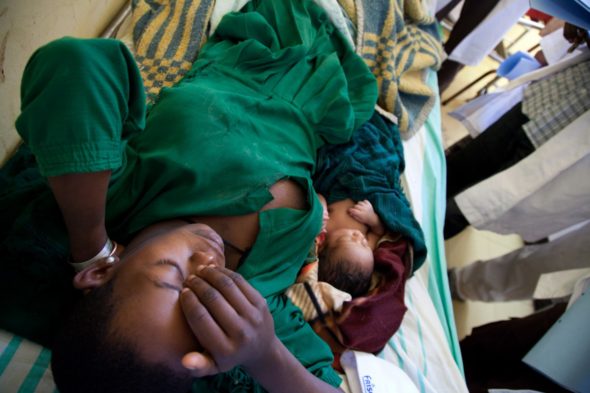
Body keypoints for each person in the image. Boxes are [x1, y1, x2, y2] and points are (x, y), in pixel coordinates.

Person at [0, 0, 378, 392]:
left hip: (266, 39)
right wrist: (264, 354)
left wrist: (90, 243)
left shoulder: (123, 192)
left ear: (106, 271)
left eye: (173, 274)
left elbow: (72, 64)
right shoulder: (257, 307)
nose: (210, 265)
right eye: (207, 316)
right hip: (332, 91)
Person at [318, 198, 386, 297]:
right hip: (366, 200)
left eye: (350, 239)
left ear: (322, 246)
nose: (360, 237)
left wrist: (321, 209)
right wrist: (372, 219)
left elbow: (317, 195)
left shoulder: (323, 228)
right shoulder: (366, 255)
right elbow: (379, 232)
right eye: (365, 244)